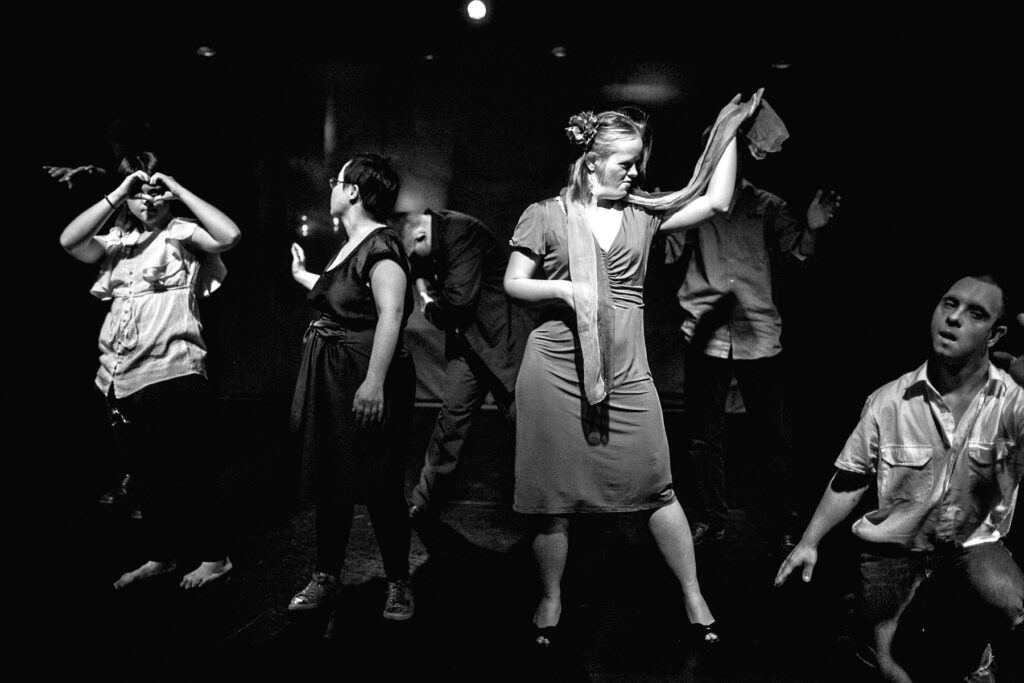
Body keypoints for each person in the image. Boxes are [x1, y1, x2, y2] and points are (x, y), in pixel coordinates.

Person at [503, 88, 764, 647]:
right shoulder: (545, 215)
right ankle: (550, 598)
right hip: (554, 368)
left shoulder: (642, 214)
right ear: (591, 162)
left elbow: (716, 200)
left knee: (657, 486)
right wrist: (563, 289)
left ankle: (693, 595)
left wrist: (730, 131)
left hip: (626, 370)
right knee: (552, 502)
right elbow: (513, 282)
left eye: (637, 162)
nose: (635, 172)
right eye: (625, 163)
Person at [775, 274, 1024, 681]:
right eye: (949, 304)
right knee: (893, 669)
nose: (954, 318)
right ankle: (865, 629)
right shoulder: (889, 400)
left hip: (971, 548)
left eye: (975, 314)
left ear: (995, 335)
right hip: (894, 550)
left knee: (1009, 604)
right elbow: (851, 478)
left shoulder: (1014, 402)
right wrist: (809, 541)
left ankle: (976, 651)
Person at [59, 151, 240, 590]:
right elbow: (69, 241)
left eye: (155, 192)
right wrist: (121, 191)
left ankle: (215, 557)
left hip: (173, 368)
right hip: (121, 373)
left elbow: (230, 234)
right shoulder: (118, 243)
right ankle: (161, 556)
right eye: (140, 193)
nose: (149, 200)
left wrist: (174, 188)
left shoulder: (181, 233)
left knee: (186, 468)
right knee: (146, 474)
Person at [667, 136, 840, 547]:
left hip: (757, 333)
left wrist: (811, 229)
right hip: (705, 331)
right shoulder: (694, 203)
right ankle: (710, 517)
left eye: (735, 150)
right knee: (701, 438)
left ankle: (778, 520)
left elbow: (799, 256)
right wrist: (661, 217)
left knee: (771, 436)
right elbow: (668, 255)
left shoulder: (767, 204)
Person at [287, 154, 417, 621]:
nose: (332, 187)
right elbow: (342, 295)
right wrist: (303, 275)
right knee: (332, 479)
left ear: (354, 191)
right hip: (334, 374)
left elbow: (392, 314)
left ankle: (399, 582)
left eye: (336, 181)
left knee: (380, 482)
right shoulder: (351, 245)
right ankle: (326, 574)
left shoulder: (381, 245)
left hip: (363, 371)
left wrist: (374, 382)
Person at [391, 209, 523, 523]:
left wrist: (427, 304)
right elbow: (420, 275)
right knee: (449, 425)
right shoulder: (428, 242)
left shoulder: (461, 232)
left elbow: (459, 304)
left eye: (411, 256)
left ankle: (557, 507)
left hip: (501, 343)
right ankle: (424, 504)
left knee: (525, 426)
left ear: (420, 235)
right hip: (468, 347)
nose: (411, 264)